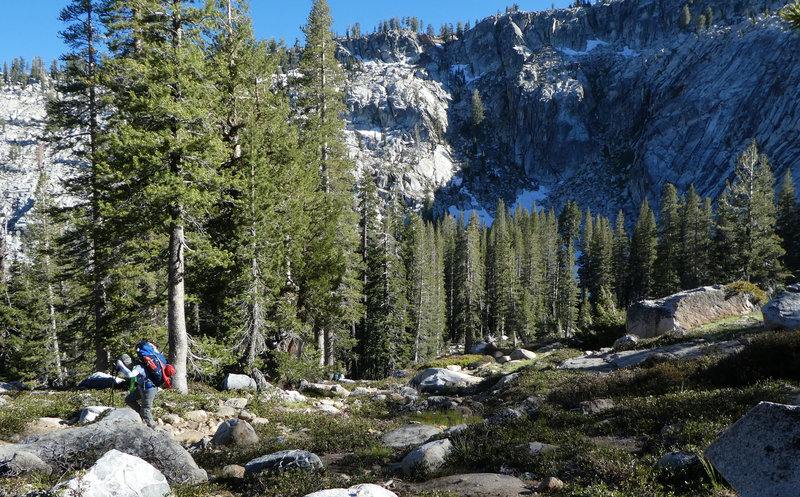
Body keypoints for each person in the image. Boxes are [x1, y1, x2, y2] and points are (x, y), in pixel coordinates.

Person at [116, 352, 158, 428]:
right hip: (142, 388)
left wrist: (121, 365)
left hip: (149, 389)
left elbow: (130, 375)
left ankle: (152, 428)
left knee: (146, 410)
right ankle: (142, 415)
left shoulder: (139, 367)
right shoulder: (138, 366)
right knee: (129, 400)